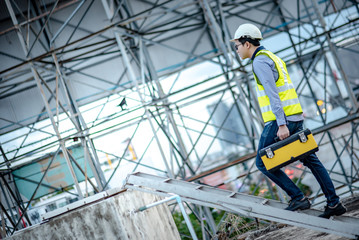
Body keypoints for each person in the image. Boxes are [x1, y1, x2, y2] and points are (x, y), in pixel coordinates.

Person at [230, 23, 346, 218]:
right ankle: (334, 203)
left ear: (247, 43)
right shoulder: (272, 57)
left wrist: (282, 124)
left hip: (281, 121)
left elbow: (273, 94)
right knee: (311, 160)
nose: (237, 49)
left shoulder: (259, 62)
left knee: (262, 162)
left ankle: (297, 197)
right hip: (295, 116)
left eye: (237, 45)